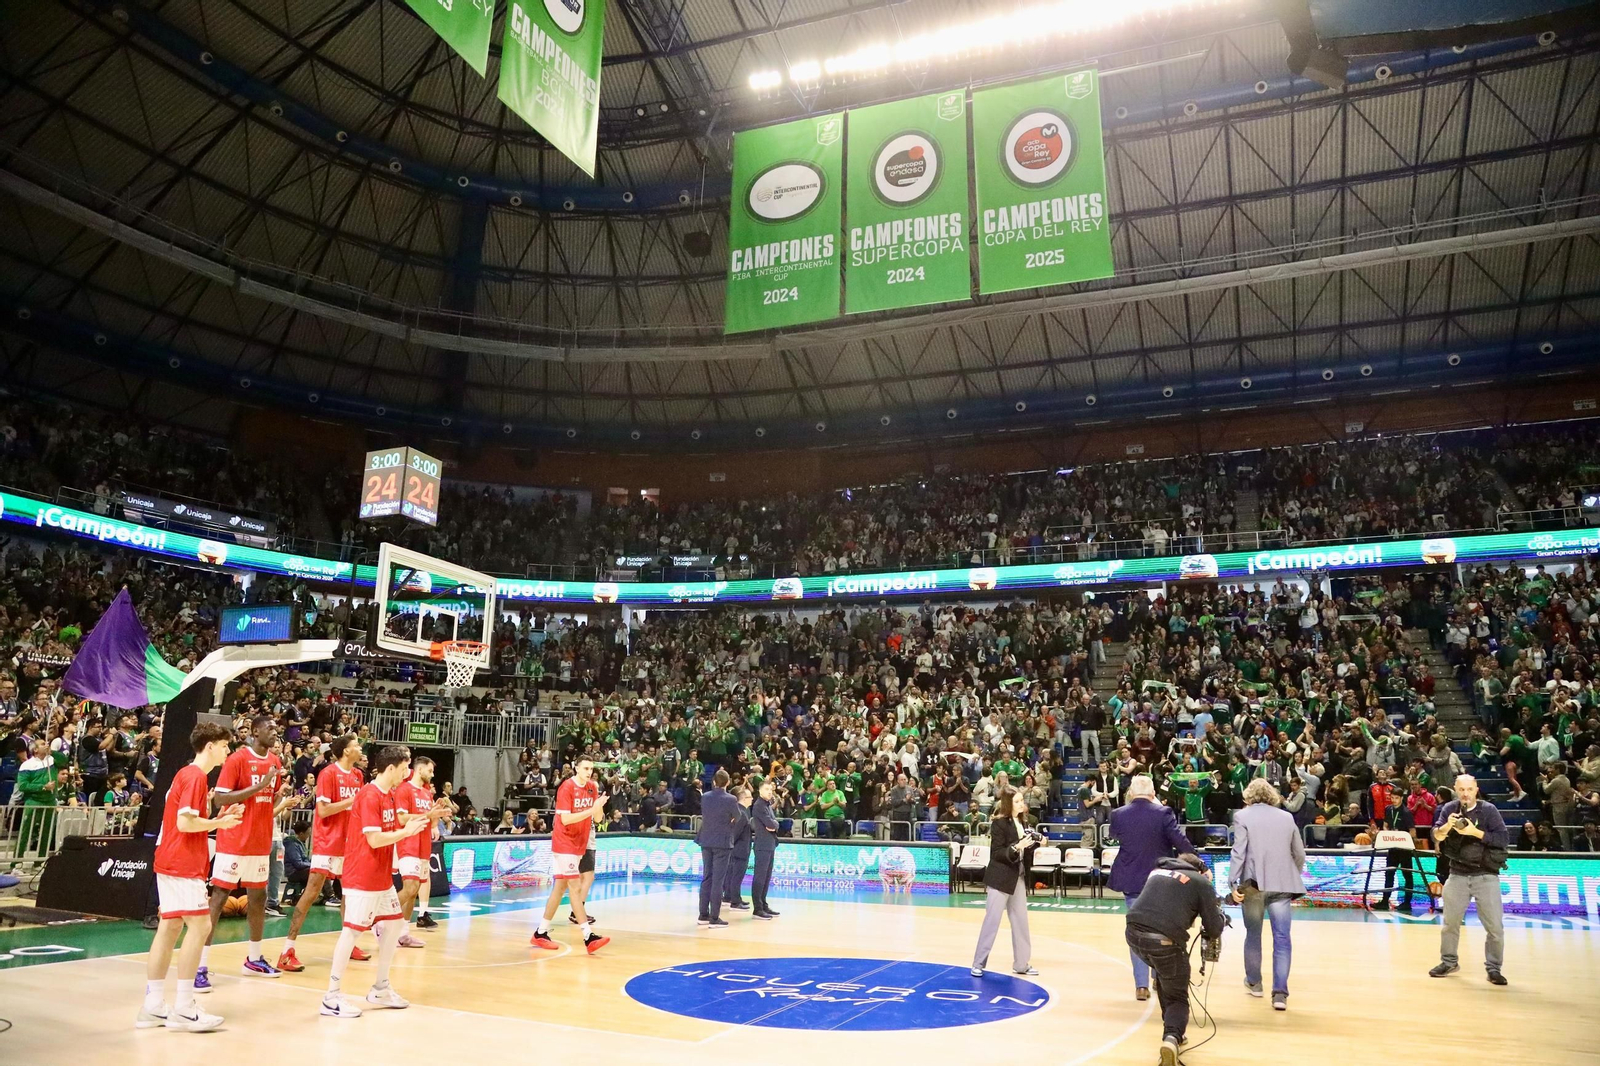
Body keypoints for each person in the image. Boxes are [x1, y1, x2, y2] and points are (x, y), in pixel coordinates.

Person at [137, 722, 244, 1033]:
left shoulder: (186, 775)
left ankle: (153, 1005)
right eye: (225, 745)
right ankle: (184, 1007)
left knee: (170, 927)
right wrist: (221, 825)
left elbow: (188, 820)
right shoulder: (196, 776)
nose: (228, 751)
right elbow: (185, 824)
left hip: (168, 860)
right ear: (209, 746)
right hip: (182, 862)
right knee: (200, 925)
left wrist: (216, 820)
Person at [318, 744, 434, 1018]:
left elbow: (393, 828)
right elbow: (374, 838)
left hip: (380, 877)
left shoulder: (390, 795)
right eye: (405, 767)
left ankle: (381, 987)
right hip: (362, 876)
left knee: (394, 925)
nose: (407, 772)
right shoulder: (369, 795)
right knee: (351, 932)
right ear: (391, 768)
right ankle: (331, 997)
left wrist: (424, 819)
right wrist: (406, 832)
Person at [199, 715, 281, 987]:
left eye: (276, 728)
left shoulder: (275, 762)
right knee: (219, 898)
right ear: (255, 732)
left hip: (260, 841)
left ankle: (254, 958)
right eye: (269, 728)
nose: (275, 732)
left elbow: (271, 796)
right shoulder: (237, 759)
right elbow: (221, 798)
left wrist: (278, 797)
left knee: (259, 898)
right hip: (234, 841)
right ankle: (200, 964)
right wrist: (259, 786)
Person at [1125, 852, 1226, 1065]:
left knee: (1164, 976)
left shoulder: (1157, 872)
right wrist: (1221, 917)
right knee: (1177, 996)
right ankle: (1172, 1036)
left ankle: (1173, 1031)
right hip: (1164, 941)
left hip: (1133, 935)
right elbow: (1214, 929)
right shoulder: (1200, 882)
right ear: (1199, 868)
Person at [278, 735, 365, 973]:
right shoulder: (328, 773)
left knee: (349, 894)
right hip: (328, 843)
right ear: (346, 751)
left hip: (349, 844)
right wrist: (351, 800)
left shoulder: (358, 776)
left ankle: (348, 945)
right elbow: (324, 810)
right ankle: (287, 950)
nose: (360, 748)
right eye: (356, 745)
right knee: (311, 893)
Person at [1108, 774, 1195, 1001]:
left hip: (1131, 880)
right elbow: (1182, 844)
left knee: (1136, 931)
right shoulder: (1164, 813)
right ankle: (1159, 978)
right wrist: (1198, 863)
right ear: (1153, 793)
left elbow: (1114, 836)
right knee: (1161, 930)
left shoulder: (1118, 814)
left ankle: (1141, 986)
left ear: (1130, 793)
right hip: (1160, 881)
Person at [1228, 778, 1306, 1011]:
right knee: (1282, 938)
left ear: (1248, 797)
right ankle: (1280, 994)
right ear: (1271, 795)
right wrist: (1292, 873)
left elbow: (1238, 852)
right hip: (1282, 885)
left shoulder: (1242, 816)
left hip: (1253, 885)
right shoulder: (1287, 817)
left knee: (1253, 934)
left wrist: (1233, 882)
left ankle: (1255, 983)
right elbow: (1299, 853)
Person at [1430, 773, 1509, 985]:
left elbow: (1503, 839)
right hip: (1457, 874)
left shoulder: (1489, 810)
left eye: (1469, 789)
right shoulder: (1448, 809)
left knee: (1494, 927)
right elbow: (1436, 835)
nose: (1465, 794)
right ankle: (1449, 962)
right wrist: (1447, 826)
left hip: (1486, 875)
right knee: (1449, 923)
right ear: (1456, 790)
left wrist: (1475, 832)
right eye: (1461, 790)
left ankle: (1494, 968)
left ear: (1476, 789)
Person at [530, 759, 609, 953]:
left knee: (560, 888)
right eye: (585, 768)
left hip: (579, 844)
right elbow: (565, 819)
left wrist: (598, 806)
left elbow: (597, 819)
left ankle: (540, 933)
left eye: (591, 769)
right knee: (575, 887)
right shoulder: (566, 787)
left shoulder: (592, 787)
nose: (589, 772)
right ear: (577, 769)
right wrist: (591, 809)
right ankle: (588, 937)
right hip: (564, 842)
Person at [970, 787, 1038, 978]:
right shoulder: (999, 823)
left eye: (1021, 800)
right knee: (992, 921)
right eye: (1017, 801)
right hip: (1000, 878)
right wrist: (1017, 847)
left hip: (1018, 877)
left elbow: (1024, 852)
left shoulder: (1023, 822)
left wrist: (1033, 844)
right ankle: (978, 963)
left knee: (1021, 923)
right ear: (1008, 804)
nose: (1021, 804)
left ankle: (1022, 964)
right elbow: (997, 853)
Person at [393, 756, 443, 948]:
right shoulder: (405, 789)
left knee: (413, 892)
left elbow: (429, 818)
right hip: (408, 843)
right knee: (410, 887)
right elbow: (403, 818)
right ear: (420, 769)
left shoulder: (426, 793)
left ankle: (403, 933)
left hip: (423, 846)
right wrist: (428, 815)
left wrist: (436, 817)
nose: (432, 774)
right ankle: (382, 920)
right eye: (430, 771)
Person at [697, 769, 739, 929]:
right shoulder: (731, 799)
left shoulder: (705, 797)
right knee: (718, 880)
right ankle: (714, 917)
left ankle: (703, 914)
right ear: (728, 783)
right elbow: (738, 816)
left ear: (714, 782)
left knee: (707, 877)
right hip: (722, 841)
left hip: (706, 840)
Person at [750, 778, 780, 919]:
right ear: (760, 791)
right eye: (767, 790)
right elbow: (770, 824)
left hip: (770, 844)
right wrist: (774, 824)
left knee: (767, 877)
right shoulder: (759, 806)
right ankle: (757, 908)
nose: (770, 792)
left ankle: (763, 904)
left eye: (771, 790)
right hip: (762, 845)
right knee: (760, 877)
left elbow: (773, 824)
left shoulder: (767, 805)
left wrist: (774, 824)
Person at [723, 786, 754, 911]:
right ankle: (735, 901)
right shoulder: (742, 814)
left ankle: (731, 897)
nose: (752, 799)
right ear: (744, 799)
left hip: (738, 850)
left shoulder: (741, 812)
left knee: (733, 875)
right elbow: (735, 834)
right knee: (737, 876)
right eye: (750, 797)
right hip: (739, 851)